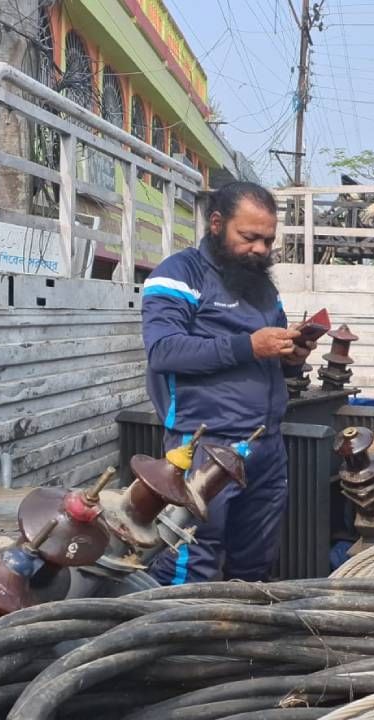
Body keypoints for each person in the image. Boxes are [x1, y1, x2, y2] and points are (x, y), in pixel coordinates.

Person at [140, 181, 314, 584]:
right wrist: (248, 346)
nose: (260, 249)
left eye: (268, 240)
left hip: (266, 445)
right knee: (192, 558)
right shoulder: (179, 274)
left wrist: (291, 358)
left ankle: (238, 642)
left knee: (254, 562)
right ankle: (178, 643)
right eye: (249, 237)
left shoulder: (262, 287)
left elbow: (267, 356)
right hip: (205, 447)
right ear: (217, 224)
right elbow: (164, 351)